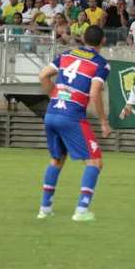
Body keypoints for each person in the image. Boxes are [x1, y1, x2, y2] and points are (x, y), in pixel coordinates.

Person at [37, 25, 112, 222]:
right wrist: (104, 121)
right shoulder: (100, 63)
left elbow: (43, 75)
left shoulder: (66, 54)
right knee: (95, 161)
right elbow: (95, 93)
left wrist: (53, 94)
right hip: (72, 116)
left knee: (57, 160)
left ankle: (45, 209)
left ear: (84, 38)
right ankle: (82, 209)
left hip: (52, 113)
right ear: (102, 41)